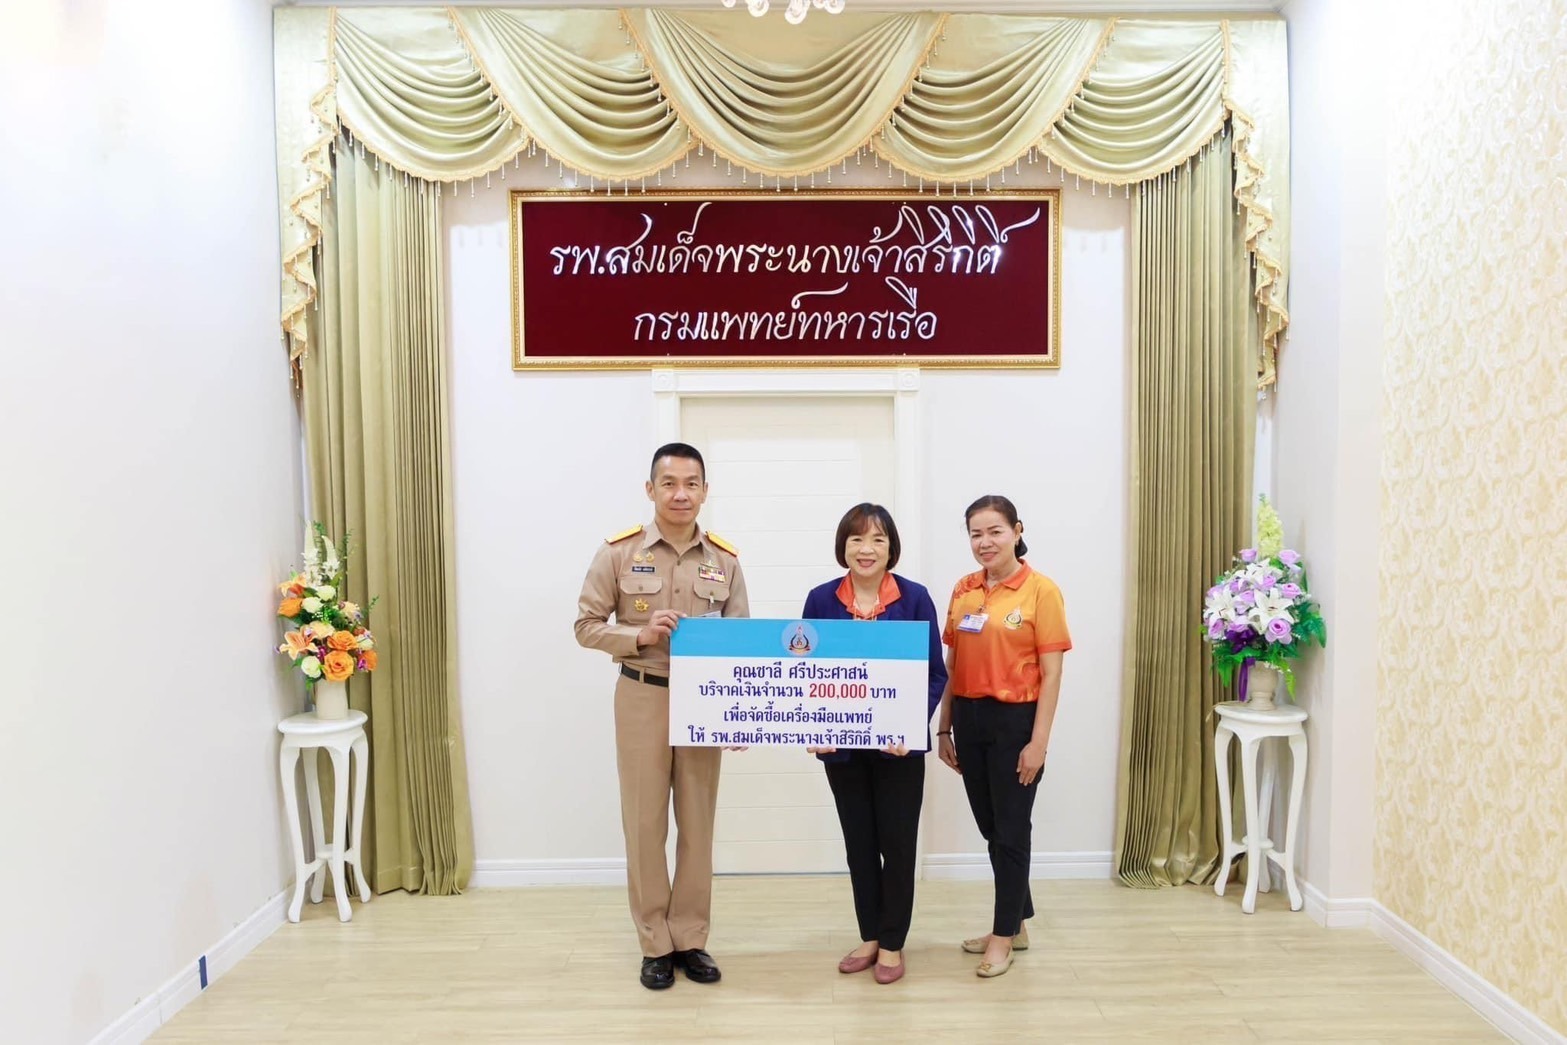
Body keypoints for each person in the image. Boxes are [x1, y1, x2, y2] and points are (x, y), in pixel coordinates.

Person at [574, 443, 749, 990]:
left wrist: (737, 712)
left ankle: (691, 938)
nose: (680, 494)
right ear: (651, 489)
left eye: (691, 483)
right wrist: (639, 635)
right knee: (645, 824)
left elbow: (740, 641)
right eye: (669, 483)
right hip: (642, 694)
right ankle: (655, 943)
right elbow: (585, 626)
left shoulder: (725, 561)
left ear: (705, 491)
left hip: (704, 703)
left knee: (697, 824)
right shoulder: (619, 552)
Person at [800, 503, 947, 985]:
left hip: (897, 751)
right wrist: (814, 725)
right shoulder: (821, 600)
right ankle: (869, 935)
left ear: (891, 548)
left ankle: (892, 943)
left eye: (878, 539)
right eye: (857, 539)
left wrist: (910, 725)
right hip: (842, 751)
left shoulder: (915, 598)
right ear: (843, 546)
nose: (867, 549)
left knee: (897, 846)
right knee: (859, 846)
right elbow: (805, 673)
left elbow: (935, 674)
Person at [935, 494, 1071, 978]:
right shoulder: (964, 589)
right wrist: (945, 725)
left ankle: (1002, 935)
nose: (985, 542)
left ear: (1017, 531)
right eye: (976, 534)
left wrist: (1039, 743)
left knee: (1012, 831)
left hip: (1016, 722)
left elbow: (1052, 674)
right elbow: (952, 664)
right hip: (969, 720)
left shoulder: (1041, 591)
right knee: (992, 827)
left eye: (995, 531)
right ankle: (1017, 922)